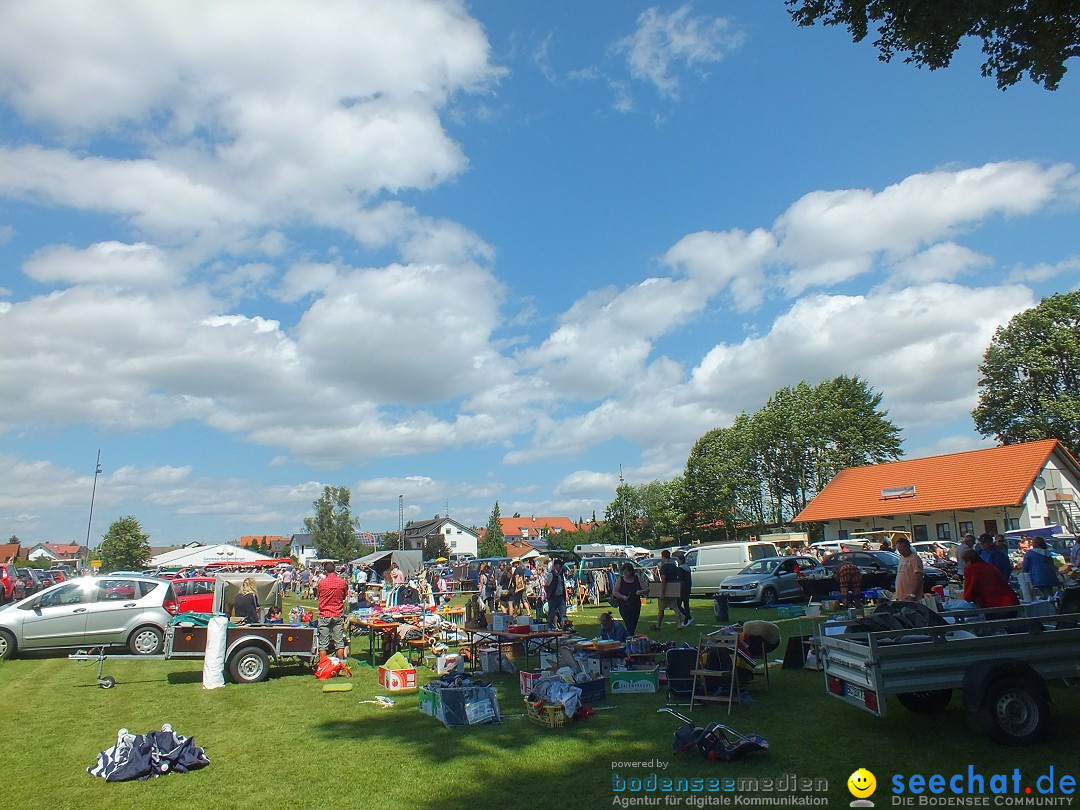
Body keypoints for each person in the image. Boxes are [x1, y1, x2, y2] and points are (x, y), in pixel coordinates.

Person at [316, 561, 349, 660]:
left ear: (325, 571)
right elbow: (344, 595)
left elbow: (318, 595)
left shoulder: (321, 583)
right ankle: (340, 664)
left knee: (323, 643)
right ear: (335, 569)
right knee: (339, 642)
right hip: (337, 614)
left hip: (324, 614)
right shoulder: (342, 582)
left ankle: (323, 664)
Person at [611, 561, 645, 635]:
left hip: (635, 605)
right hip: (624, 605)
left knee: (634, 623)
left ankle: (629, 637)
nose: (624, 574)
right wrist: (623, 597)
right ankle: (630, 638)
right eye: (624, 572)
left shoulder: (637, 579)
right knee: (629, 623)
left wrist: (641, 592)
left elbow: (647, 589)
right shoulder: (621, 580)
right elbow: (615, 592)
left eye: (626, 572)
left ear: (631, 571)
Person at [652, 550, 681, 630]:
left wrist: (662, 593)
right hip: (674, 589)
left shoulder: (664, 568)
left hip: (666, 590)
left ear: (663, 557)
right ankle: (679, 625)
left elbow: (663, 581)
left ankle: (658, 625)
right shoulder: (675, 567)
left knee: (661, 609)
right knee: (676, 608)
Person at [893, 537, 923, 602]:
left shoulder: (914, 559)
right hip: (901, 597)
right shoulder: (902, 558)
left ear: (908, 547)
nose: (901, 552)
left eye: (903, 550)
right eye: (899, 550)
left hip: (910, 597)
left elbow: (919, 578)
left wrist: (913, 594)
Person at [543, 557, 568, 630]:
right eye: (559, 565)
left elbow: (564, 585)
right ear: (555, 566)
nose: (560, 566)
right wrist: (548, 594)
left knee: (563, 613)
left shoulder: (561, 574)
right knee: (551, 613)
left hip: (561, 596)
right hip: (553, 597)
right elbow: (546, 585)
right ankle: (549, 627)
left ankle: (565, 627)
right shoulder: (551, 574)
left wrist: (565, 594)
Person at [676, 553, 694, 628]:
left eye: (678, 560)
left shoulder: (681, 569)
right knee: (686, 604)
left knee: (678, 605)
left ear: (681, 560)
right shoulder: (687, 568)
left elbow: (679, 579)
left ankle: (688, 617)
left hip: (682, 589)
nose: (678, 562)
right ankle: (687, 620)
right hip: (688, 587)